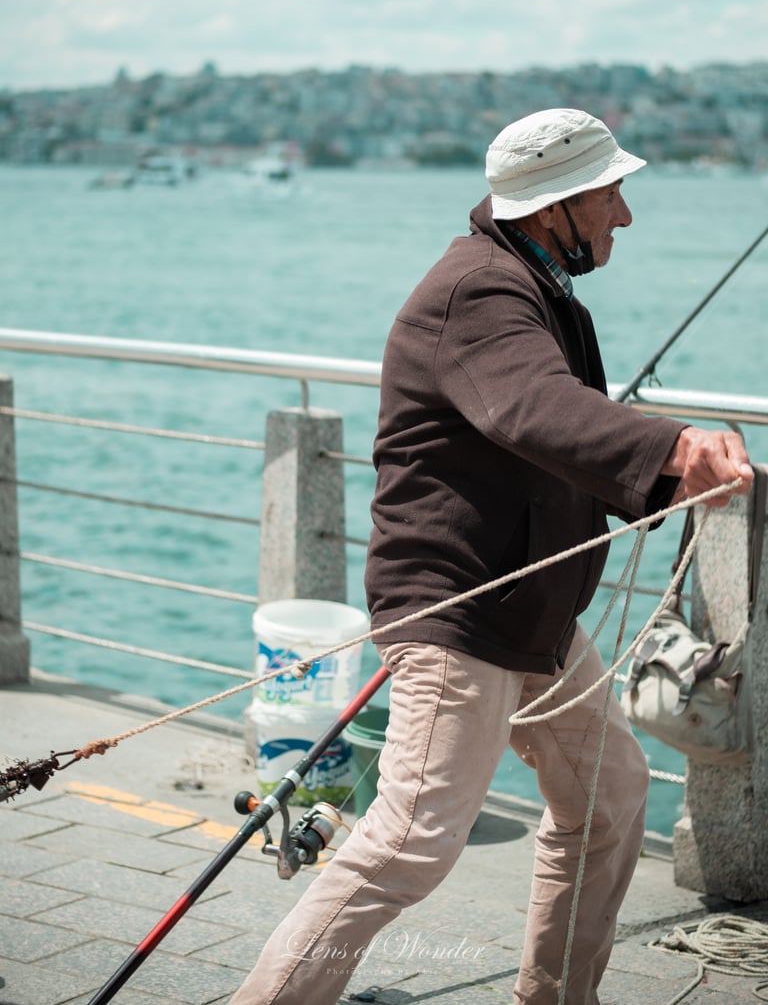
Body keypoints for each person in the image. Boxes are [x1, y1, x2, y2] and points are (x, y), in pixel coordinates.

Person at [231, 108, 753, 1005]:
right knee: (409, 841)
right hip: (463, 614)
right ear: (556, 206)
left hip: (530, 616)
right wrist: (677, 448)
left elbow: (548, 446)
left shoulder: (533, 285)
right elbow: (539, 410)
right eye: (611, 194)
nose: (624, 215)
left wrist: (673, 481)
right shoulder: (479, 290)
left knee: (611, 796)